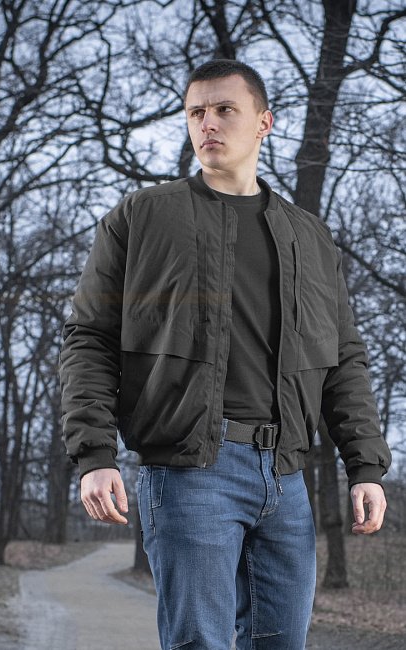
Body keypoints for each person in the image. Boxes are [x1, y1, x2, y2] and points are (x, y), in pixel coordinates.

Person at [59, 59, 391, 649]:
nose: (207, 123)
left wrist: (365, 466)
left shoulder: (309, 236)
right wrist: (94, 454)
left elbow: (343, 358)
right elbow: (89, 338)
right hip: (190, 471)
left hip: (286, 477)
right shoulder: (142, 217)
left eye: (224, 110)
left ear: (264, 122)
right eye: (196, 112)